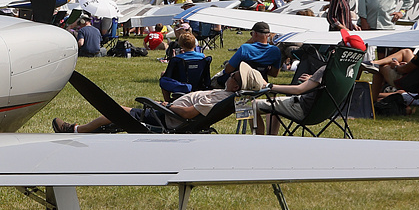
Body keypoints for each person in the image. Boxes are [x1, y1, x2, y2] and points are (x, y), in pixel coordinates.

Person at [53, 67, 263, 133]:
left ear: (236, 85)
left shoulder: (220, 97)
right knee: (118, 116)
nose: (231, 74)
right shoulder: (230, 98)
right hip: (171, 115)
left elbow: (189, 113)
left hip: (167, 119)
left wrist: (167, 106)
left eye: (234, 75)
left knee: (115, 111)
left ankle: (76, 130)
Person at [212, 21, 282, 85]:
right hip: (260, 83)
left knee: (213, 81)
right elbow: (274, 73)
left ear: (255, 34)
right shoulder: (275, 50)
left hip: (240, 83)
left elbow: (228, 70)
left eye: (251, 33)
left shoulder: (245, 48)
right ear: (268, 35)